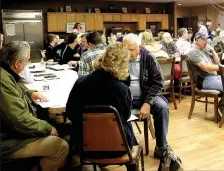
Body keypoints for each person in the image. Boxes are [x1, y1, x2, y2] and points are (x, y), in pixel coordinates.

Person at [66, 42, 137, 170]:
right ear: (122, 65)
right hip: (117, 147)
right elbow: (125, 116)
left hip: (85, 146)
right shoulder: (122, 89)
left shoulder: (81, 82)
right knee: (127, 125)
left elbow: (71, 113)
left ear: (102, 58)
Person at [0, 41, 69, 171]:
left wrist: (30, 93)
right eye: (27, 61)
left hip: (9, 132)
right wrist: (48, 128)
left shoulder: (5, 72)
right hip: (6, 141)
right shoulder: (3, 81)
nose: (28, 63)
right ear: (17, 63)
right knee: (61, 146)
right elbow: (20, 120)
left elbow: (16, 87)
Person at [123, 33, 173, 159]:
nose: (129, 53)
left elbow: (158, 83)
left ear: (139, 47)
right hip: (127, 98)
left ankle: (161, 146)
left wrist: (148, 102)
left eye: (132, 49)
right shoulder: (120, 58)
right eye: (126, 49)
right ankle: (132, 146)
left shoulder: (149, 57)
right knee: (119, 111)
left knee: (162, 107)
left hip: (146, 96)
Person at [188, 31, 224, 122]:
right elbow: (205, 68)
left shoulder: (205, 50)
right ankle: (221, 109)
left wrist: (213, 50)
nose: (206, 42)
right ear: (197, 40)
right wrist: (221, 68)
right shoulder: (193, 52)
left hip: (213, 77)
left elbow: (217, 62)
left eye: (207, 39)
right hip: (204, 80)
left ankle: (222, 109)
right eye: (203, 40)